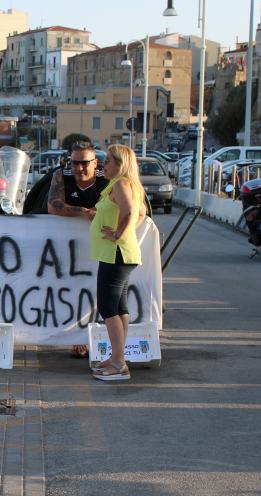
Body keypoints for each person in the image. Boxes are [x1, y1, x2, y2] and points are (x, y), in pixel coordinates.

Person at [89, 144, 146, 381]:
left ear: (120, 164)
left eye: (108, 162)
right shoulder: (124, 185)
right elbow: (141, 212)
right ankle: (117, 356)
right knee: (119, 307)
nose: (104, 166)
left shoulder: (122, 184)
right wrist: (125, 232)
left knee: (108, 307)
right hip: (119, 253)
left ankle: (119, 362)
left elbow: (133, 211)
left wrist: (118, 234)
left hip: (116, 254)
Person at [47, 140, 108, 358]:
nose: (78, 168)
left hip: (102, 247)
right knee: (72, 291)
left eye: (84, 163)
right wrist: (84, 212)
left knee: (100, 291)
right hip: (68, 250)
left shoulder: (107, 178)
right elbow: (54, 205)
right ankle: (77, 338)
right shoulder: (60, 175)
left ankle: (103, 338)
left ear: (95, 163)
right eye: (74, 163)